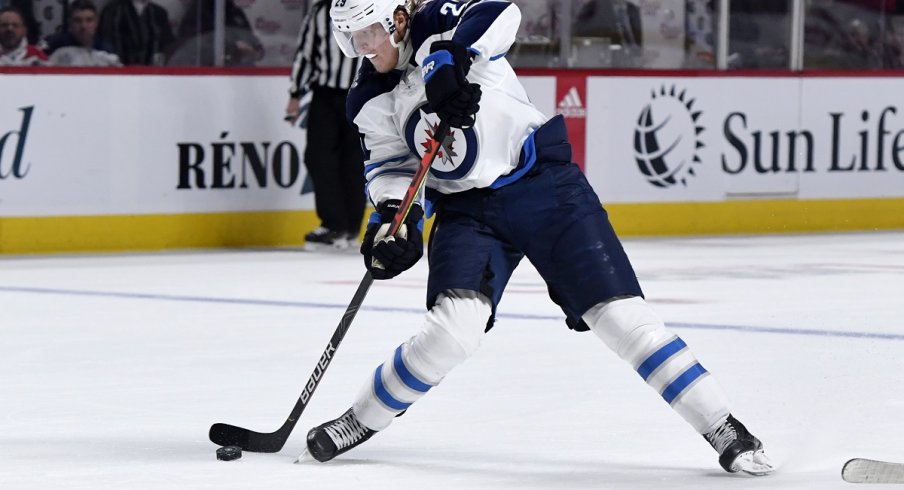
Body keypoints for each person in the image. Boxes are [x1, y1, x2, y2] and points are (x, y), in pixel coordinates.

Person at [297, 0, 775, 477]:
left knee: (618, 316)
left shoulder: (437, 22)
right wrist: (393, 218)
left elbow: (501, 13)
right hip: (467, 210)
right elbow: (389, 167)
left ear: (399, 20)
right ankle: (359, 420)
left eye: (369, 34)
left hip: (542, 183)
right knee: (451, 329)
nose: (363, 48)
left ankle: (722, 425)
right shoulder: (365, 96)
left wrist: (450, 57)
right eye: (352, 38)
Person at [286, 0, 365, 251]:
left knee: (354, 161)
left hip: (363, 93)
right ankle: (335, 224)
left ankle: (350, 227)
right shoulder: (320, 11)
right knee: (319, 157)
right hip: (326, 95)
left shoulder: (371, 6)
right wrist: (295, 94)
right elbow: (306, 53)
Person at [167, 0, 264, 67]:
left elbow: (255, 46)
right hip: (208, 78)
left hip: (239, 78)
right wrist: (231, 49)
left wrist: (255, 52)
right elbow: (190, 51)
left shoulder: (235, 11)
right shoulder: (199, 12)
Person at [44, 0, 121, 67]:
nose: (83, 26)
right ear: (70, 23)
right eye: (78, 20)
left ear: (96, 23)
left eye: (89, 20)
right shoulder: (54, 45)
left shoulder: (105, 49)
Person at [97, 0, 174, 65]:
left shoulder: (159, 13)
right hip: (119, 74)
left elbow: (168, 46)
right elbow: (105, 44)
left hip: (153, 75)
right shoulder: (112, 11)